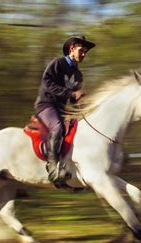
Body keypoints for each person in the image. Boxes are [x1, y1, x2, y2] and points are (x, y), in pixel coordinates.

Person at [34, 35, 95, 185]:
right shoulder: (57, 63)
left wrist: (82, 104)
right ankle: (53, 168)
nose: (84, 54)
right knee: (58, 127)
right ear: (72, 48)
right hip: (46, 105)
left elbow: (73, 99)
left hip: (61, 109)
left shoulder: (78, 75)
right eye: (81, 50)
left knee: (78, 129)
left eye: (86, 52)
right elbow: (47, 83)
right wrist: (71, 94)